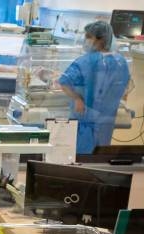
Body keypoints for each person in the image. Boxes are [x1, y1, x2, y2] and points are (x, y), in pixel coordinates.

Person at [57, 21, 131, 155]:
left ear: (100, 39)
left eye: (88, 37)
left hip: (86, 119)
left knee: (81, 157)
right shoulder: (120, 61)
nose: (85, 40)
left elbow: (64, 82)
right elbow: (126, 86)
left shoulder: (86, 60)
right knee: (100, 157)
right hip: (106, 122)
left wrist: (77, 98)